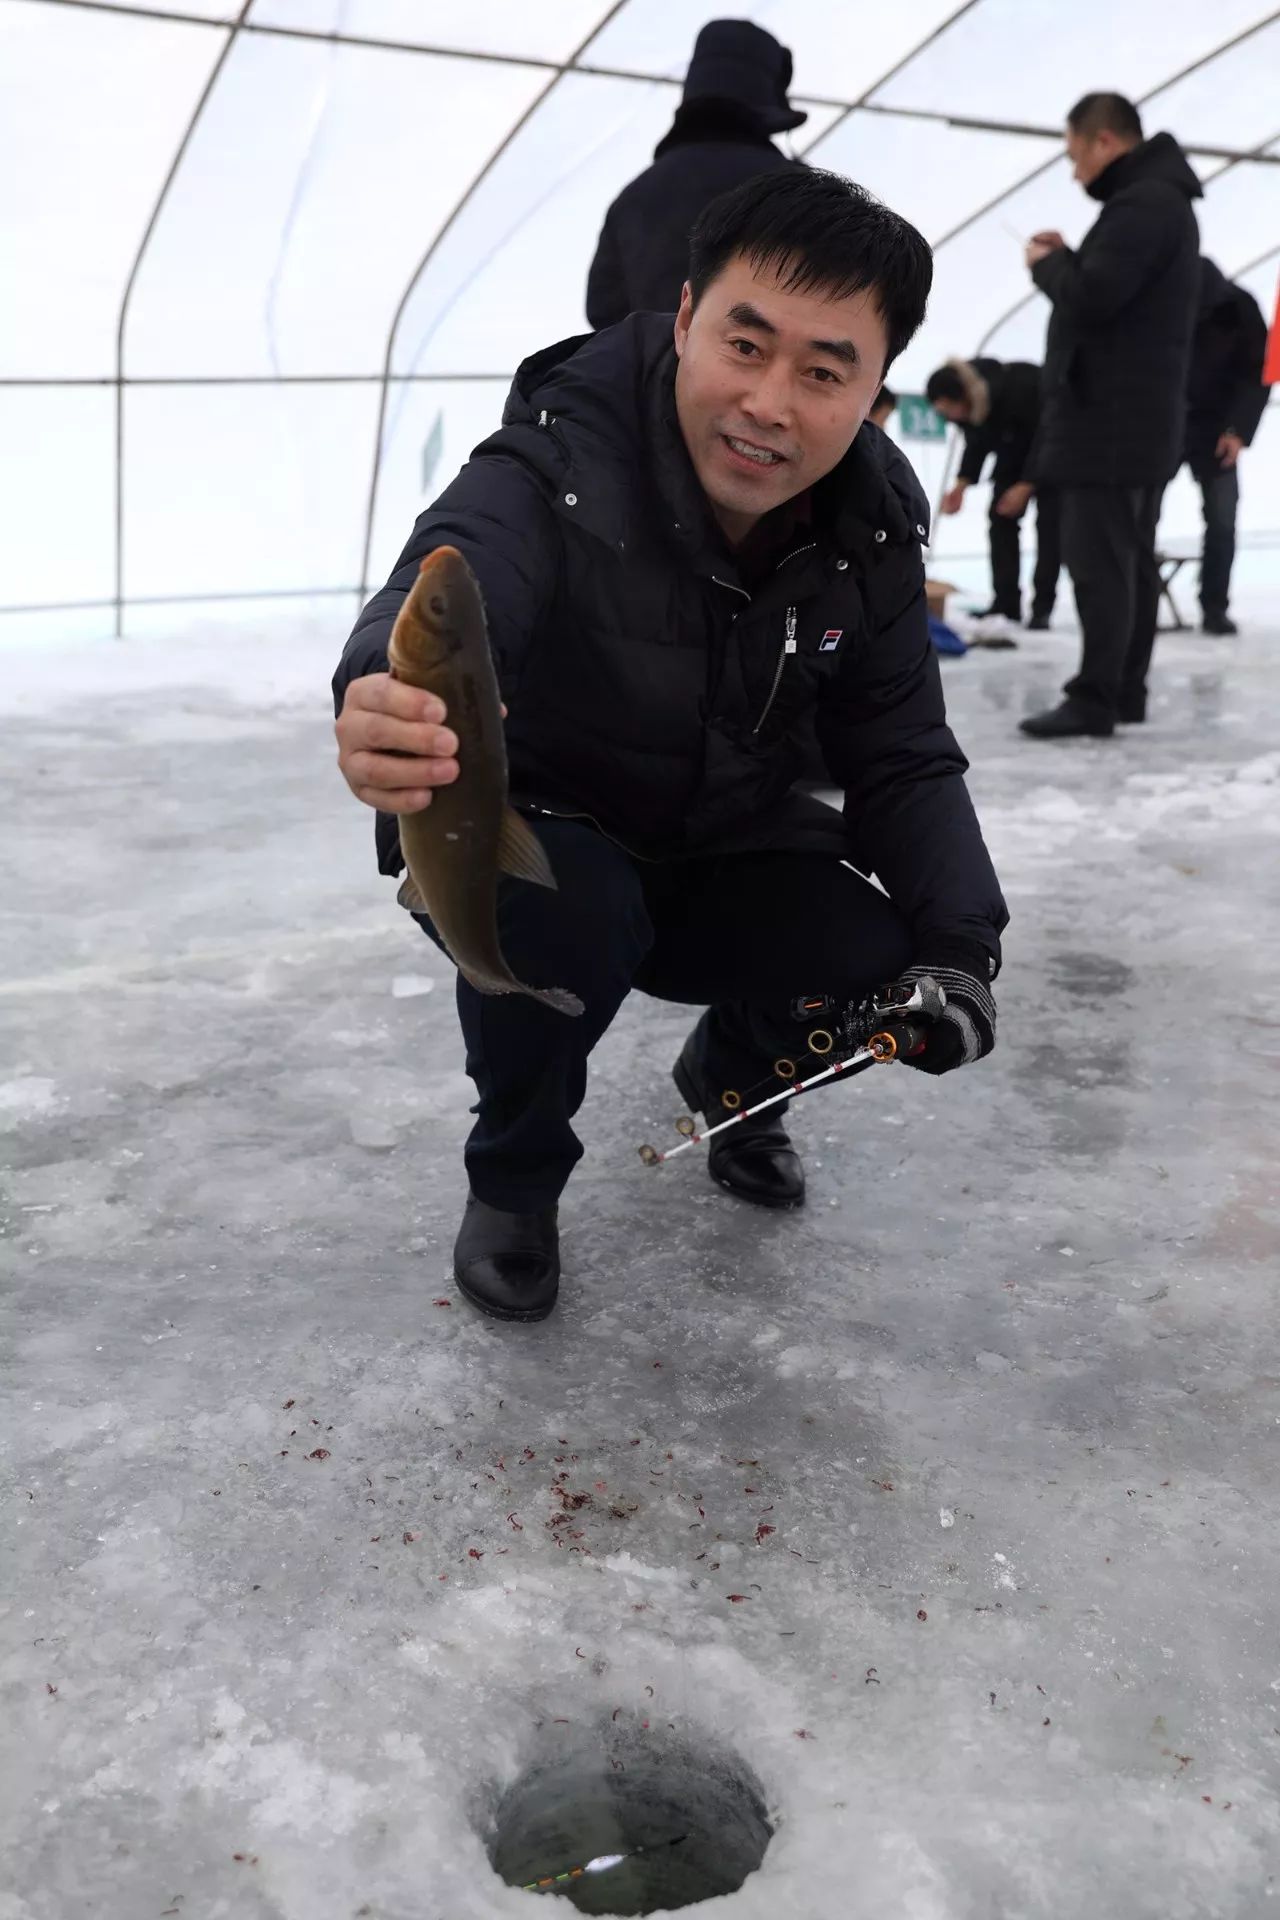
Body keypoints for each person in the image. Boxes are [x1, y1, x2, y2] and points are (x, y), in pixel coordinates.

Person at [333, 170, 1007, 1324]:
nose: (769, 403)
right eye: (745, 345)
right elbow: (453, 573)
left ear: (875, 390)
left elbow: (900, 750)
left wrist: (959, 947)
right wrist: (377, 693)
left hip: (727, 843)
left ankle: (736, 1085)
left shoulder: (872, 530)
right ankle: (513, 1180)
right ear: (686, 316)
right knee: (551, 913)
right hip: (564, 837)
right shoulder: (555, 453)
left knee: (879, 945)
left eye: (821, 370)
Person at [1019, 92, 1201, 739]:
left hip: (1112, 421)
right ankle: (1122, 691)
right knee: (1127, 558)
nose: (1074, 172)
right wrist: (1072, 257)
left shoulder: (1144, 203)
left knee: (1100, 562)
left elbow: (1092, 298)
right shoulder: (1158, 203)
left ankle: (1097, 696)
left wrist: (1049, 267)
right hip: (1136, 419)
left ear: (1103, 142)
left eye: (1075, 156)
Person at [586, 18, 804, 329]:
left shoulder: (634, 197)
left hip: (656, 374)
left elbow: (602, 308)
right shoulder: (798, 188)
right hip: (774, 374)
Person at [925, 357, 1060, 628]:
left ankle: (1042, 608)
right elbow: (976, 441)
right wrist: (961, 484)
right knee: (1000, 522)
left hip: (1052, 457)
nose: (950, 418)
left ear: (962, 395)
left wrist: (1027, 484)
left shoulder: (1018, 388)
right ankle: (1006, 604)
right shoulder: (974, 407)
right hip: (1011, 459)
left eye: (949, 409)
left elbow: (1047, 435)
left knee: (1050, 528)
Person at [1183, 257, 1271, 635]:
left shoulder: (1240, 307)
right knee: (1139, 513)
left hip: (1217, 428)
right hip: (1164, 422)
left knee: (1221, 518)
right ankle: (1136, 603)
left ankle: (1214, 606)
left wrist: (1237, 430)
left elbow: (1258, 373)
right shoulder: (1160, 297)